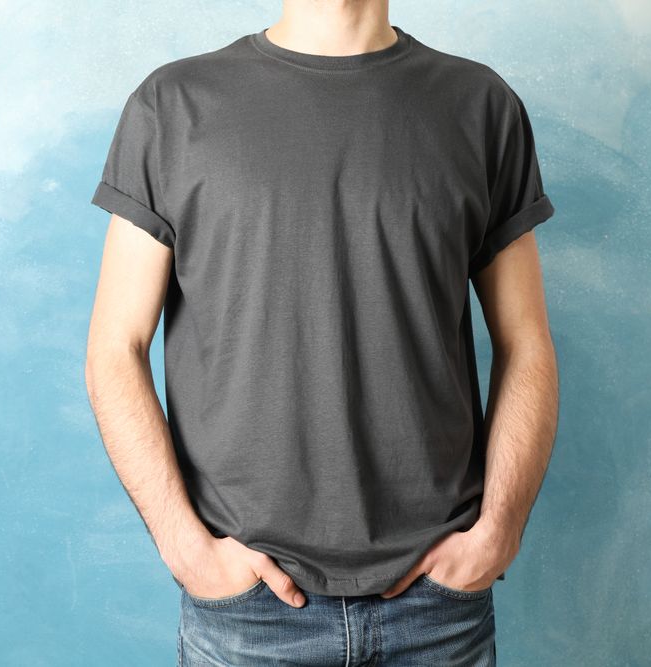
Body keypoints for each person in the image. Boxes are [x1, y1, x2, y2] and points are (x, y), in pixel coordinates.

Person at [84, 0, 559, 664]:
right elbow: (115, 346)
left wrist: (499, 531)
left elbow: (526, 341)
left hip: (437, 609)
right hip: (247, 614)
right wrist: (185, 546)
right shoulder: (173, 106)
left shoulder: (480, 106)